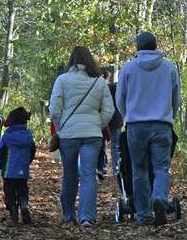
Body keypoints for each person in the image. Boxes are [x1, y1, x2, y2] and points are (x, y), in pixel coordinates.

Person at [116, 31, 180, 226]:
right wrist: (170, 116)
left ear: (138, 47)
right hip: (162, 124)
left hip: (136, 126)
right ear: (155, 46)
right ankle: (159, 198)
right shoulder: (169, 67)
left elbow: (120, 98)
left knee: (139, 169)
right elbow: (176, 97)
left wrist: (128, 115)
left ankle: (143, 214)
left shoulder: (127, 68)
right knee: (161, 167)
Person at [49, 46, 115, 227]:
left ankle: (69, 215)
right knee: (88, 175)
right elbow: (109, 110)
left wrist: (61, 126)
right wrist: (98, 124)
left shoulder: (62, 80)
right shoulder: (99, 82)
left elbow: (54, 109)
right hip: (92, 135)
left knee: (69, 175)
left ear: (71, 60)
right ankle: (87, 217)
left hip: (68, 135)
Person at [0, 107, 36, 226]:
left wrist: (0, 165)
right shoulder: (28, 136)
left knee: (9, 192)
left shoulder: (7, 137)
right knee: (23, 190)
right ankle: (24, 205)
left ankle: (13, 214)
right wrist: (27, 163)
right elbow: (32, 151)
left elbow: (0, 152)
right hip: (22, 170)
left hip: (8, 171)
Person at [97, 65, 123, 179]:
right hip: (115, 119)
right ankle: (116, 168)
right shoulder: (116, 87)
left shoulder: (98, 88)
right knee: (114, 145)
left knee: (101, 145)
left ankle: (103, 167)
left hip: (102, 119)